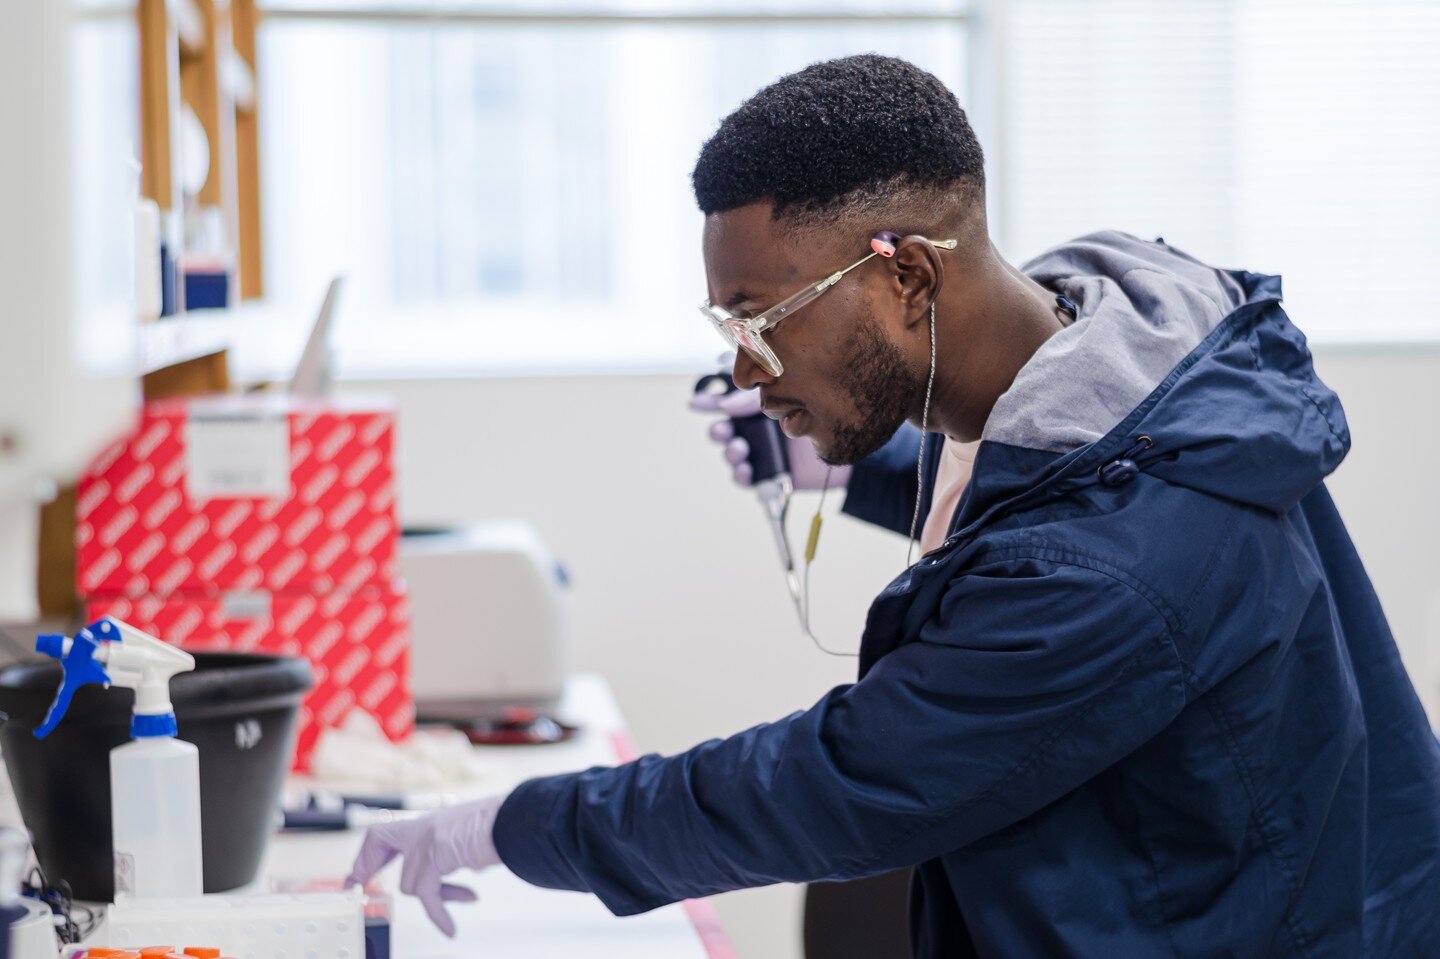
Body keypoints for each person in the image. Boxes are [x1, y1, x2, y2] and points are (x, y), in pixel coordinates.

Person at [349, 54, 1440, 957]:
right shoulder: (1135, 365)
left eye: (758, 319)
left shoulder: (1116, 567)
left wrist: (515, 821)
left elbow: (837, 781)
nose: (745, 372)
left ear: (909, 277)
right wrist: (865, 465)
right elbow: (1039, 472)